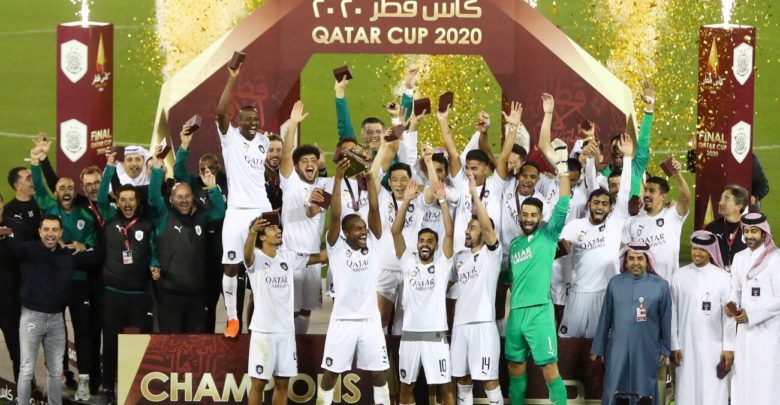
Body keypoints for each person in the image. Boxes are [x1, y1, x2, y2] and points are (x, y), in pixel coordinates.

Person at [505, 93, 571, 405]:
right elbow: (510, 278)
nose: (529, 219)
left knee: (549, 370)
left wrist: (564, 170)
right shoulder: (515, 244)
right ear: (520, 217)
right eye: (525, 215)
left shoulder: (548, 234)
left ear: (540, 218)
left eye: (534, 215)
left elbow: (564, 202)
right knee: (515, 369)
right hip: (515, 315)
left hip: (540, 313)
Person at [0, 215, 100, 405]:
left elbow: (98, 255)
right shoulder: (28, 250)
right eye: (46, 229)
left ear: (61, 233)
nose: (50, 234)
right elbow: (8, 242)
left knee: (55, 371)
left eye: (54, 230)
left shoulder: (68, 256)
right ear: (39, 232)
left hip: (56, 320)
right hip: (31, 318)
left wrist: (85, 246)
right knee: (26, 369)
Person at [317, 160, 391, 405]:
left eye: (364, 228)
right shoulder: (336, 247)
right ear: (346, 233)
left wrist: (370, 178)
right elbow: (336, 215)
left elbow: (374, 208)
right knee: (331, 374)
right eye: (357, 229)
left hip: (370, 320)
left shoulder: (373, 243)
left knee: (379, 374)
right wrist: (338, 179)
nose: (363, 231)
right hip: (342, 321)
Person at [30, 145, 98, 400]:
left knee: (83, 332)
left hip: (79, 283)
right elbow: (39, 188)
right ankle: (59, 377)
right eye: (61, 188)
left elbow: (93, 244)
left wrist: (84, 246)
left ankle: (85, 380)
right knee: (55, 333)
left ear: (74, 191)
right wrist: (36, 162)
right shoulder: (49, 208)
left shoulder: (86, 216)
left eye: (70, 188)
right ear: (56, 192)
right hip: (55, 284)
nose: (66, 191)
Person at [215, 60, 273, 337]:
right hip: (237, 211)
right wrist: (233, 78)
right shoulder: (230, 138)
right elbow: (220, 112)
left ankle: (262, 316)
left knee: (262, 264)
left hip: (261, 208)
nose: (252, 123)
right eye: (247, 119)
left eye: (255, 119)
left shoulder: (263, 141)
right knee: (230, 264)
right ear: (237, 122)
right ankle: (232, 318)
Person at [243, 216, 326, 405]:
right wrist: (252, 231)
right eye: (273, 228)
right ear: (262, 236)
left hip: (286, 332)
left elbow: (321, 257)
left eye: (278, 227)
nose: (279, 230)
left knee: (282, 385)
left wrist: (342, 241)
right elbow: (246, 255)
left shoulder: (288, 257)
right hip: (263, 333)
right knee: (258, 385)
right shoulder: (256, 258)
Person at [97, 152, 159, 402]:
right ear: (117, 201)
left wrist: (155, 265)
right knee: (111, 343)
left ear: (137, 202)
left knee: (134, 344)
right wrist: (109, 169)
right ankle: (107, 389)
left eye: (131, 199)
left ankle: (131, 390)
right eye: (122, 199)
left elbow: (154, 251)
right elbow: (101, 198)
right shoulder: (109, 217)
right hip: (113, 294)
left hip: (139, 295)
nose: (126, 203)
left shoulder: (147, 224)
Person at [557, 135, 633, 338]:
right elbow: (558, 252)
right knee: (568, 344)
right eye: (596, 203)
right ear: (589, 204)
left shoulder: (615, 222)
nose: (600, 207)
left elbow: (625, 190)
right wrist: (590, 159)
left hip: (605, 294)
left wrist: (627, 158)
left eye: (605, 204)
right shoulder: (575, 227)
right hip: (577, 293)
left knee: (602, 346)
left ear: (611, 207)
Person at [148, 149, 226, 332]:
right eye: (179, 197)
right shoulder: (163, 216)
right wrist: (157, 171)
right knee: (171, 343)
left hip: (197, 295)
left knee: (195, 344)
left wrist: (213, 189)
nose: (184, 201)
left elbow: (220, 212)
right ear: (171, 199)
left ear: (193, 198)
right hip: (170, 294)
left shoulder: (201, 217)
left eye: (188, 196)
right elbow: (153, 198)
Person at [392, 179, 455, 405]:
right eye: (421, 241)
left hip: (436, 335)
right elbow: (395, 231)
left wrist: (443, 201)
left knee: (445, 388)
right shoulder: (407, 263)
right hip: (410, 334)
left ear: (436, 246)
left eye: (430, 241)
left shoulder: (442, 265)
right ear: (417, 245)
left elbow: (449, 233)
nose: (425, 244)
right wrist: (406, 200)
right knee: (406, 389)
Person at [591, 241, 672, 405]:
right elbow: (605, 318)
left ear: (647, 261)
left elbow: (666, 319)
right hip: (617, 349)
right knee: (614, 387)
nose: (635, 263)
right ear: (625, 261)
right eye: (631, 258)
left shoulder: (661, 286)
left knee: (644, 391)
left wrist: (665, 348)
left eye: (640, 258)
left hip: (647, 349)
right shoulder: (615, 283)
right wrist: (598, 348)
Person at [450, 170, 504, 405]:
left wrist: (474, 193)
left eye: (473, 227)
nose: (466, 230)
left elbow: (488, 227)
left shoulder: (492, 254)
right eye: (468, 227)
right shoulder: (460, 259)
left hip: (483, 325)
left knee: (489, 382)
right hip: (460, 325)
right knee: (462, 380)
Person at [279, 101, 332, 333]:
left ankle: (299, 345)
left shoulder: (323, 187)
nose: (309, 164)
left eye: (313, 160)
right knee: (291, 309)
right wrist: (293, 125)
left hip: (313, 257)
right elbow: (285, 157)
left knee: (307, 309)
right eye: (304, 161)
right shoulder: (291, 183)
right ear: (297, 166)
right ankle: (288, 346)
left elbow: (314, 212)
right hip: (292, 256)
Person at [172, 123, 231, 333]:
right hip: (203, 249)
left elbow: (222, 212)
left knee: (232, 306)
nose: (207, 172)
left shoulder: (229, 184)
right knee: (207, 305)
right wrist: (184, 146)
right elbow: (178, 171)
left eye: (211, 168)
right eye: (203, 169)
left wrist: (214, 189)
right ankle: (208, 341)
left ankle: (233, 344)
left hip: (225, 250)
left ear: (219, 168)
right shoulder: (195, 184)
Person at [670, 231, 734, 405]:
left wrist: (728, 347)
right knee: (686, 388)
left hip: (714, 347)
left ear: (711, 251)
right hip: (685, 345)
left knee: (712, 390)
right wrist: (674, 345)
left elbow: (728, 317)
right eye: (694, 248)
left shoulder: (723, 278)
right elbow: (672, 313)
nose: (697, 253)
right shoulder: (679, 276)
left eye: (702, 250)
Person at [725, 212, 780, 404]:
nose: (749, 236)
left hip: (767, 334)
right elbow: (735, 290)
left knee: (765, 380)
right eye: (746, 231)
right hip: (744, 334)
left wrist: (752, 315)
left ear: (764, 233)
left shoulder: (776, 259)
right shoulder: (739, 258)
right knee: (743, 378)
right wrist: (731, 304)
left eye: (754, 231)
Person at [622, 158, 691, 281]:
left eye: (652, 191)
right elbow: (624, 252)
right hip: (643, 283)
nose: (646, 194)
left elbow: (685, 197)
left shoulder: (673, 215)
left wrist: (677, 174)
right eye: (646, 190)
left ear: (663, 196)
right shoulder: (632, 222)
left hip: (669, 283)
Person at [704, 185, 749, 269]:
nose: (720, 203)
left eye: (726, 199)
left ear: (738, 206)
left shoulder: (750, 229)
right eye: (721, 198)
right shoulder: (711, 228)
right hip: (717, 275)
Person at [4, 166, 41, 231]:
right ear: (17, 186)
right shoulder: (7, 211)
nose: (34, 181)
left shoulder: (42, 203)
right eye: (29, 179)